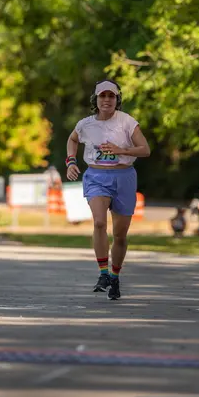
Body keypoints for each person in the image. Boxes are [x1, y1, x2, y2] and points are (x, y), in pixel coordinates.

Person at [66, 79, 150, 300]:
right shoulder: (85, 124)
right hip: (96, 176)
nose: (107, 100)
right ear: (96, 99)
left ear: (117, 99)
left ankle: (114, 276)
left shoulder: (127, 122)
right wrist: (71, 162)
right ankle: (103, 272)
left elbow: (145, 150)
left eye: (111, 96)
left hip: (124, 177)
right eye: (102, 96)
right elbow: (72, 139)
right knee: (99, 222)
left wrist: (121, 150)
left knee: (120, 235)